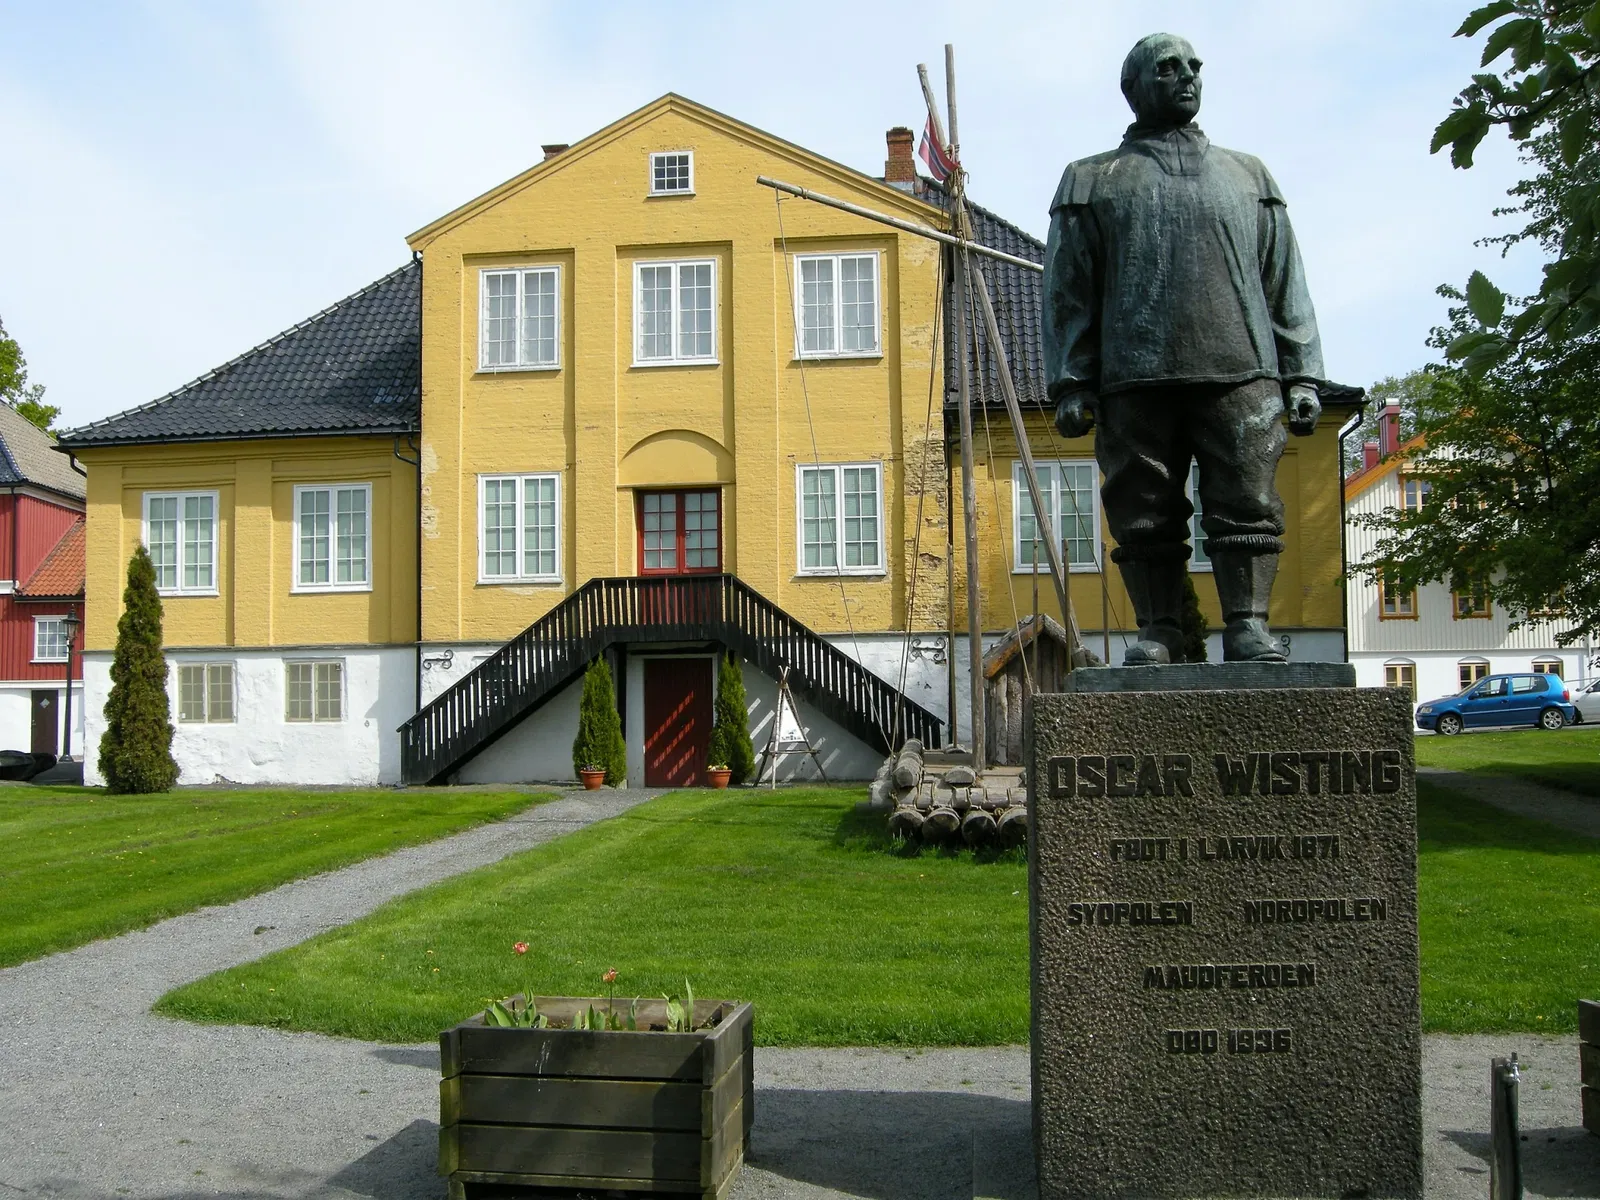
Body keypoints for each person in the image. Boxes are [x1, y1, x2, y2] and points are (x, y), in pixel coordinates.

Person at [1043, 32, 1326, 664]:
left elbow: (1285, 279)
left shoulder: (1248, 175)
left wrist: (1301, 374)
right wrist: (1071, 381)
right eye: (1167, 68)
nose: (1187, 77)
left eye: (1193, 67)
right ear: (1135, 88)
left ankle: (1248, 625)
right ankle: (1159, 628)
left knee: (1248, 499)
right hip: (1134, 375)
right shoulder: (1091, 179)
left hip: (1241, 368)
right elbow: (1068, 289)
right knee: (1142, 507)